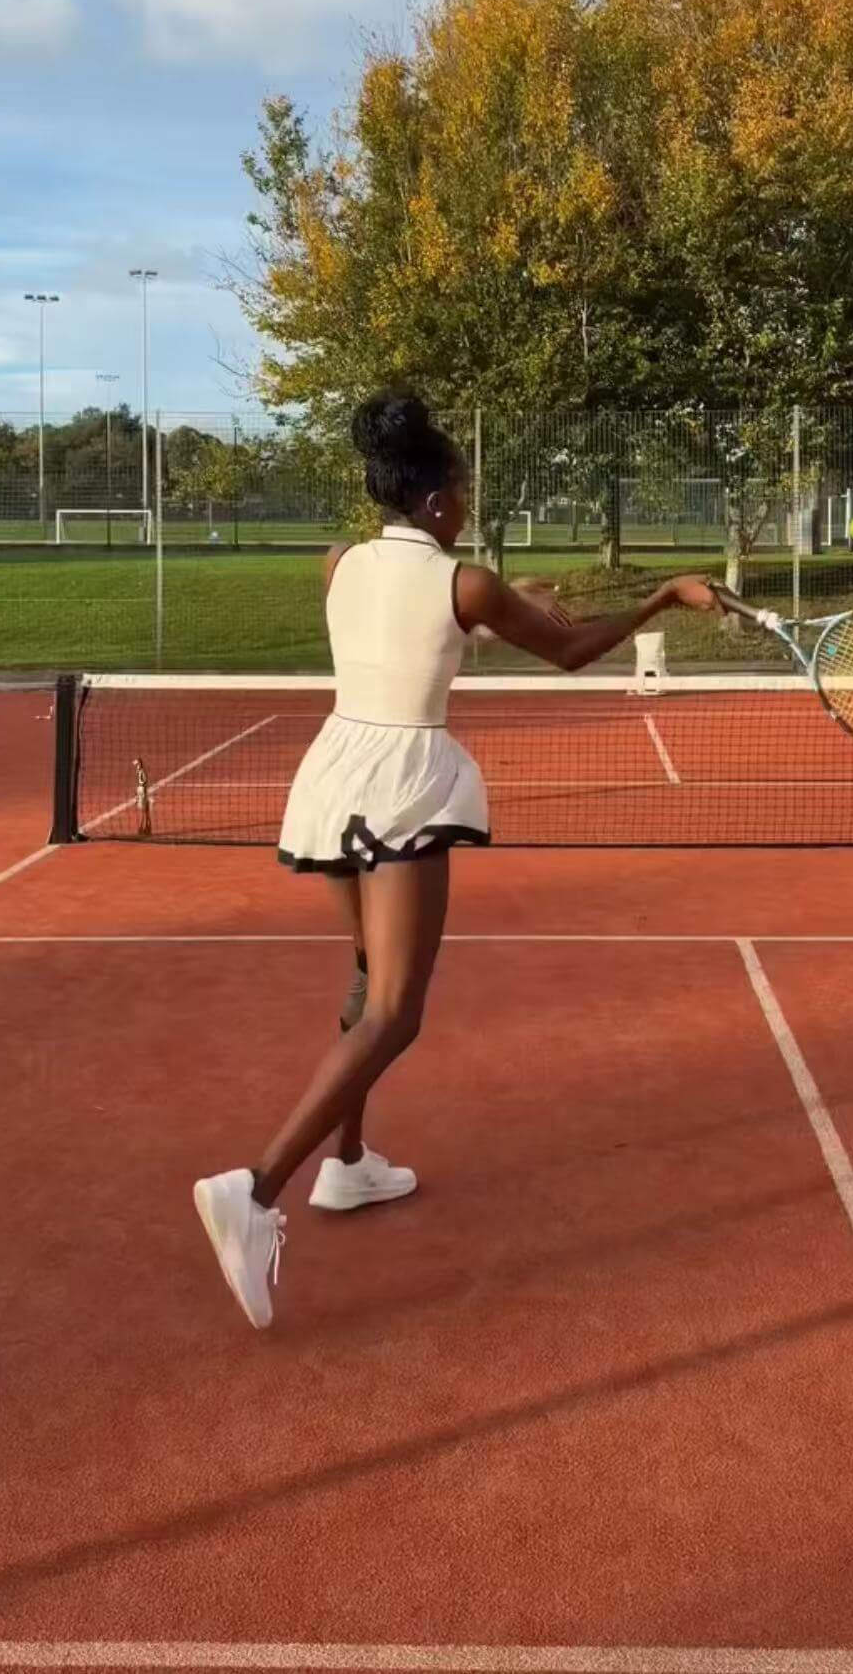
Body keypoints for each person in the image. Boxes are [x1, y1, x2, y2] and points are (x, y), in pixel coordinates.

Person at [193, 393, 718, 1327]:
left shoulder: (340, 562)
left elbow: (409, 636)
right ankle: (257, 1187)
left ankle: (347, 1168)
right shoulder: (465, 580)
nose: (467, 503)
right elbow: (565, 651)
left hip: (331, 774)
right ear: (437, 500)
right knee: (396, 1011)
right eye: (464, 491)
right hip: (405, 783)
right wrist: (663, 594)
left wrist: (499, 613)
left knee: (365, 980)